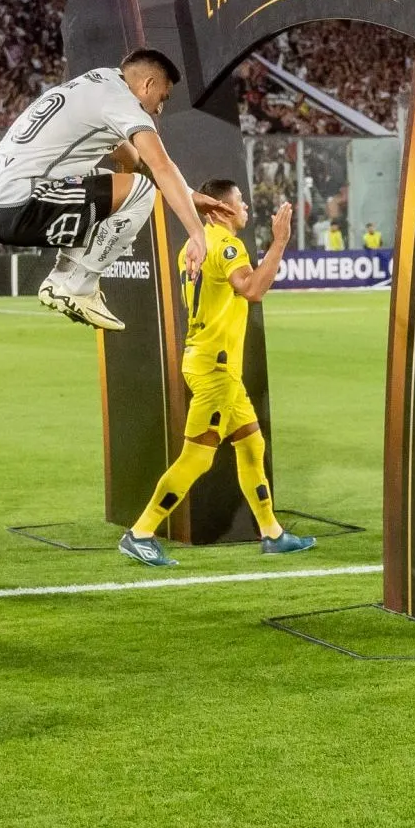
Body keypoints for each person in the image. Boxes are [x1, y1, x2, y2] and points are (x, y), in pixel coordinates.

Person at [117, 180, 314, 566]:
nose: (245, 208)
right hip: (216, 368)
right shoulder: (227, 245)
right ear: (220, 210)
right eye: (239, 201)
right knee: (198, 457)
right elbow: (253, 289)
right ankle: (140, 531)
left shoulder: (191, 246)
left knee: (251, 445)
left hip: (209, 361)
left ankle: (271, 532)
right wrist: (279, 242)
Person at [0, 50, 227, 332]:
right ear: (148, 84)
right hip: (19, 204)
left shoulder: (96, 86)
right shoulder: (120, 100)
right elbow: (160, 166)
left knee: (106, 184)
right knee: (141, 191)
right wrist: (197, 233)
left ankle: (60, 281)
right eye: (163, 98)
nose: (158, 109)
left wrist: (189, 196)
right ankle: (80, 287)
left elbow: (134, 162)